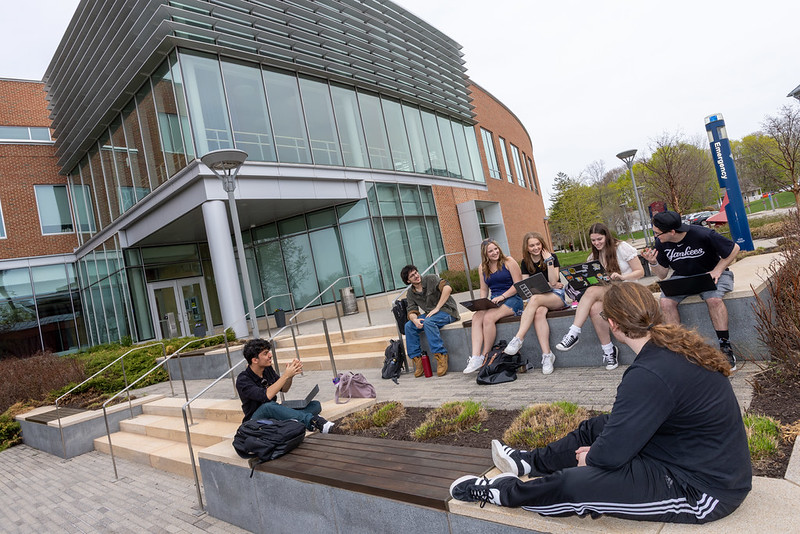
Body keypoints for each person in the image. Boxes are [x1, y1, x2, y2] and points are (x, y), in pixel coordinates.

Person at [450, 282, 751, 524]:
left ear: (612, 323)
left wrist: (591, 459)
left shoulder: (649, 373)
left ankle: (504, 493)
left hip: (703, 490)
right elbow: (620, 434)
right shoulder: (667, 349)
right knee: (598, 427)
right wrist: (598, 451)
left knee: (577, 485)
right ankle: (528, 462)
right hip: (682, 453)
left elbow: (609, 457)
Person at [642, 210, 739, 370]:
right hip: (684, 278)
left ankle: (725, 347)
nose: (656, 237)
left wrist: (718, 270)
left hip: (711, 274)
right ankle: (678, 348)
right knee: (665, 301)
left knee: (713, 299)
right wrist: (653, 263)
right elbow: (663, 274)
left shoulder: (703, 234)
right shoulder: (661, 242)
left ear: (672, 232)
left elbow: (734, 248)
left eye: (658, 233)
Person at [555, 222, 643, 370]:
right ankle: (609, 351)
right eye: (593, 240)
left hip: (628, 289)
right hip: (608, 292)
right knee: (595, 307)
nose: (596, 243)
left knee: (591, 292)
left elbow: (640, 271)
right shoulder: (592, 257)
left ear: (606, 236)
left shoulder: (621, 248)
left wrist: (621, 276)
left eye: (599, 239)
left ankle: (573, 333)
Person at [502, 232, 568, 375]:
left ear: (542, 244)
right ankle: (547, 355)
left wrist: (549, 261)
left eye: (538, 244)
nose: (535, 247)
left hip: (556, 297)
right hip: (539, 299)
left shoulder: (552, 257)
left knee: (535, 299)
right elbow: (526, 287)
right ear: (527, 247)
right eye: (532, 245)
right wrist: (548, 286)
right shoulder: (525, 262)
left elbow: (553, 280)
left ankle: (518, 338)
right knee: (538, 312)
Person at [235, 338, 333, 433]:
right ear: (255, 360)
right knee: (268, 406)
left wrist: (290, 376)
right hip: (255, 420)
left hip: (274, 411)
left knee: (315, 405)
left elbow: (284, 389)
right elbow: (266, 396)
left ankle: (291, 420)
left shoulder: (267, 369)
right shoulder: (243, 380)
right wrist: (285, 375)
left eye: (268, 352)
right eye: (265, 353)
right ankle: (315, 422)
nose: (270, 355)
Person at [463, 239, 523, 373]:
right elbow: (484, 289)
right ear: (485, 254)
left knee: (489, 318)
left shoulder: (509, 261)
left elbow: (518, 285)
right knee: (477, 316)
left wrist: (502, 296)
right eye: (490, 251)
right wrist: (481, 303)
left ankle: (485, 356)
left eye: (496, 249)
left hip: (512, 298)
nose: (495, 252)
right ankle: (475, 357)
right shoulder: (482, 267)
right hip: (495, 301)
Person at [401, 264, 460, 377]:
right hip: (431, 315)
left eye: (416, 272)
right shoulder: (410, 293)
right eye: (412, 276)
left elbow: (448, 288)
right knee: (409, 326)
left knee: (428, 322)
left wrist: (437, 307)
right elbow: (411, 310)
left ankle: (441, 355)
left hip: (447, 311)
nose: (416, 276)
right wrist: (415, 321)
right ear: (408, 281)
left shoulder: (430, 279)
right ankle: (417, 360)